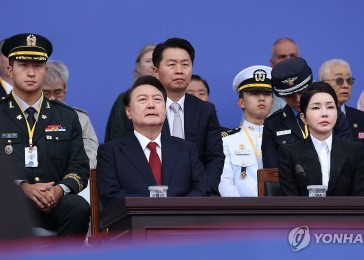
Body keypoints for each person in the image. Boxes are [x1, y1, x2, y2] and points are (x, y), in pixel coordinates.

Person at [0, 33, 89, 239]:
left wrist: (59, 190)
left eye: (38, 66)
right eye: (23, 65)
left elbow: (79, 167)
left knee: (77, 206)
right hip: (10, 203)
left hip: (55, 204)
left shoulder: (66, 116)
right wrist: (23, 187)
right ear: (10, 70)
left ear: (45, 70)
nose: (31, 72)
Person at [97, 76, 208, 208]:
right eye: (143, 100)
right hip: (133, 224)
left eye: (157, 99)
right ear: (128, 112)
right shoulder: (111, 151)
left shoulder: (186, 148)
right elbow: (110, 195)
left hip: (182, 222)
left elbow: (202, 189)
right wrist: (152, 207)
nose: (151, 105)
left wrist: (176, 209)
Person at [153, 37, 225, 196]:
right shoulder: (146, 108)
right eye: (172, 65)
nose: (179, 70)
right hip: (155, 194)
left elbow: (215, 157)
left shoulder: (205, 110)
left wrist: (202, 192)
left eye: (185, 64)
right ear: (156, 72)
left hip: (200, 195)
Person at [278, 82, 364, 196]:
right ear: (303, 118)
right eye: (316, 108)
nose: (324, 114)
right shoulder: (289, 153)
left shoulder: (354, 151)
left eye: (330, 107)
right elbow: (290, 202)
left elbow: (359, 200)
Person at [262, 57, 352, 168]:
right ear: (281, 95)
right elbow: (271, 171)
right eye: (290, 95)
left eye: (301, 92)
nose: (297, 99)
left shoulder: (334, 114)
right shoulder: (273, 124)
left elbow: (347, 158)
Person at [219, 65, 273, 197]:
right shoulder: (227, 140)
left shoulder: (284, 137)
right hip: (241, 212)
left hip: (280, 212)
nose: (261, 98)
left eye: (267, 94)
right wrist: (242, 211)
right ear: (241, 102)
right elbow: (224, 182)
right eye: (254, 94)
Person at [42, 60, 98, 169]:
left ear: (65, 88)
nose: (52, 98)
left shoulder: (81, 119)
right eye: (46, 93)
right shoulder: (27, 117)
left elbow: (91, 156)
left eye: (58, 92)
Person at [105, 44, 156, 142]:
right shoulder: (124, 100)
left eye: (156, 61)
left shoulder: (173, 99)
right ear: (138, 67)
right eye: (148, 61)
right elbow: (115, 137)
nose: (153, 65)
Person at [319, 59, 364, 142]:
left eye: (349, 80)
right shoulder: (313, 117)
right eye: (339, 80)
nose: (346, 85)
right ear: (323, 84)